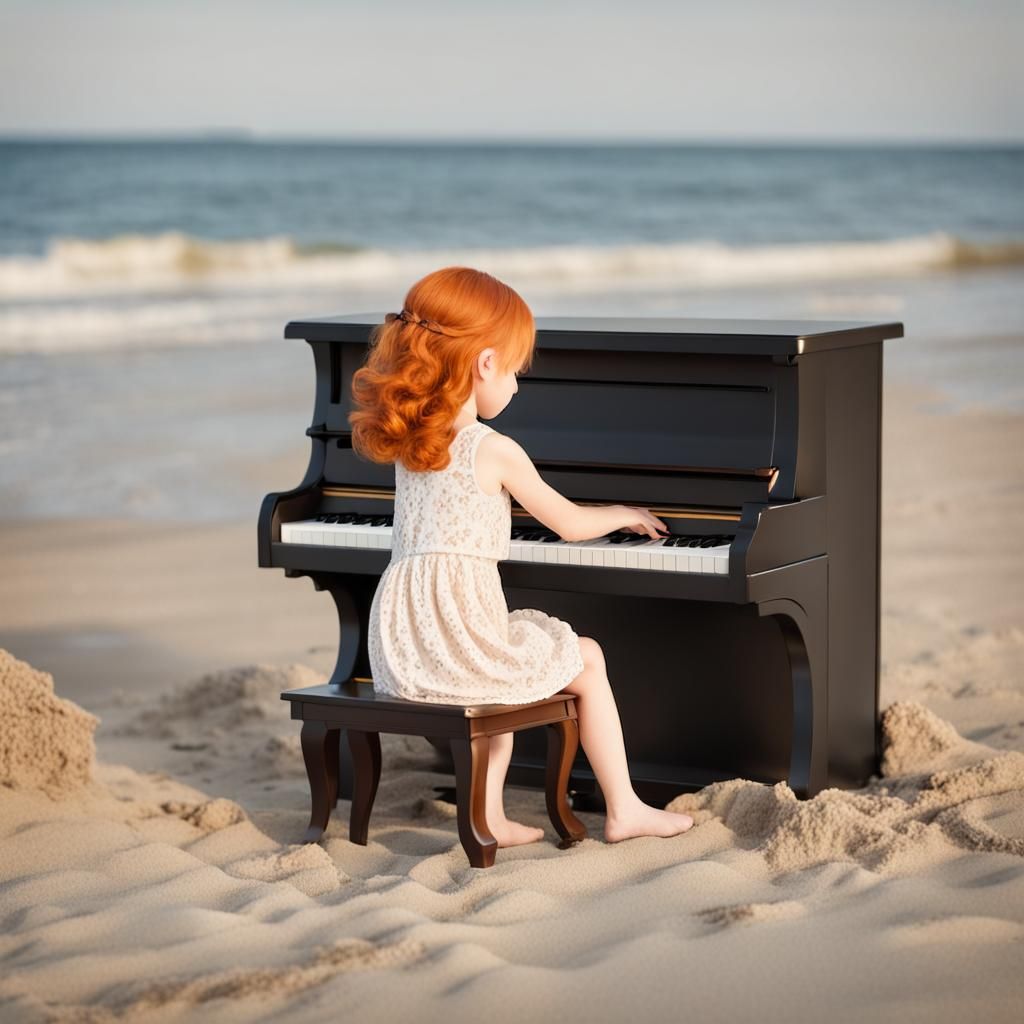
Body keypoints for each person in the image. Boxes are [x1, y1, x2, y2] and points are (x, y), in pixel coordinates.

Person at [350, 266, 695, 848]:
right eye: (515, 370)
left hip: (403, 648)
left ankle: (490, 815)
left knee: (498, 684)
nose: (516, 385)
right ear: (485, 364)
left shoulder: (413, 444)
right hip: (459, 642)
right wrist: (621, 512)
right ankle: (626, 807)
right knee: (587, 658)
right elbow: (569, 524)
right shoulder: (495, 449)